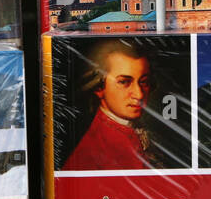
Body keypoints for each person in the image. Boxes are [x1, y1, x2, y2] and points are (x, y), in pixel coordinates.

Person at [62, 39, 155, 171]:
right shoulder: (93, 148)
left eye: (144, 82)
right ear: (99, 87)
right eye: (124, 82)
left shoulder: (135, 129)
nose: (139, 94)